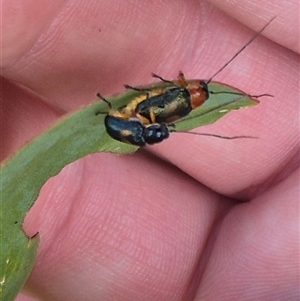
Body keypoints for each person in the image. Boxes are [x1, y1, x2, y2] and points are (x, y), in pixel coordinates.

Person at [2, 1, 298, 300]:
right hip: (135, 118)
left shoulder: (173, 106)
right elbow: (160, 99)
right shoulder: (173, 109)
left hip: (133, 117)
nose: (197, 88)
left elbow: (160, 97)